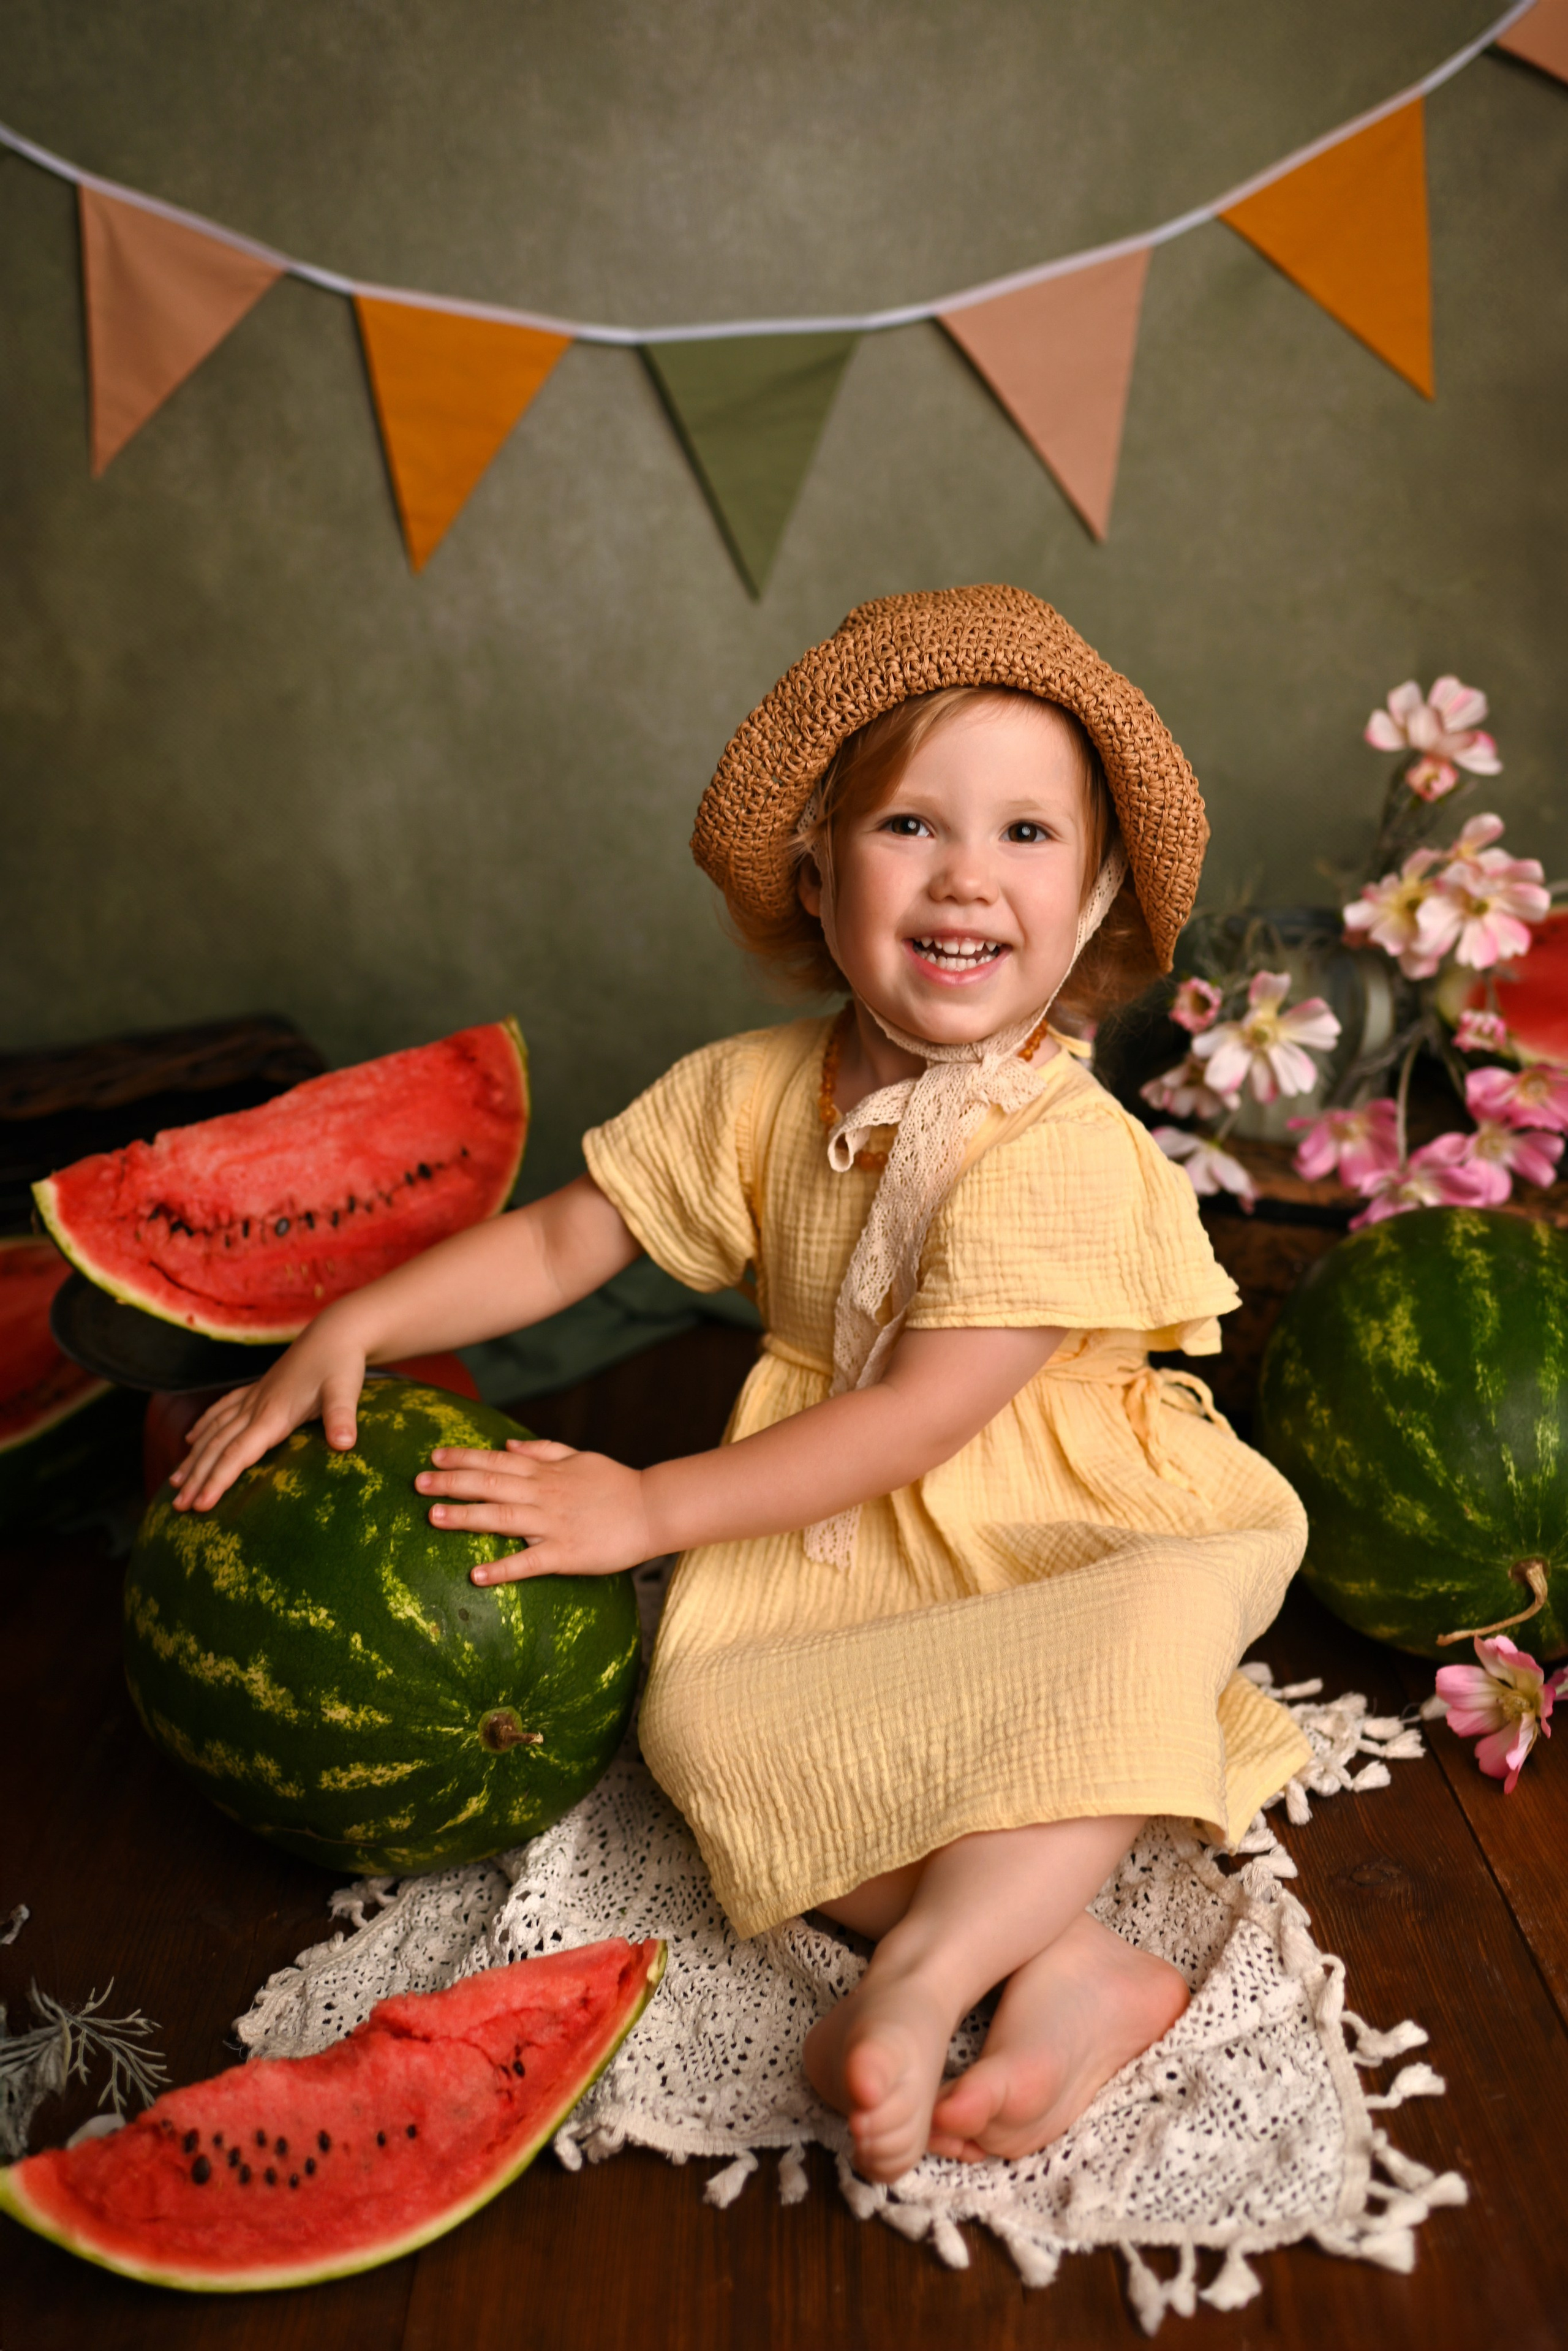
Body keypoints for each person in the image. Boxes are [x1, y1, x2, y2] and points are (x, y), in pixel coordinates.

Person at [173, 586, 1311, 2185]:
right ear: (818, 870)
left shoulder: (1058, 1147)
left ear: (1094, 895)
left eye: (1028, 834)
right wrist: (358, 1319)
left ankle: (927, 1979)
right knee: (711, 1728)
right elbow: (567, 1238)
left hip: (1061, 1506)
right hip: (827, 1505)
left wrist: (647, 1508)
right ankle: (1069, 1962)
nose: (966, 873)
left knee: (1127, 1651)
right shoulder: (755, 1091)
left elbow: (921, 1416)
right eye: (910, 823)